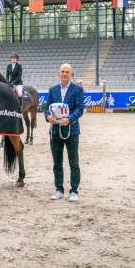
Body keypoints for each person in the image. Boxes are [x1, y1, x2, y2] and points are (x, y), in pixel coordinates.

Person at [44, 64, 84, 202]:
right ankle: (59, 189)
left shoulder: (77, 90)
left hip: (71, 131)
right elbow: (47, 108)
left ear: (71, 74)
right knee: (57, 162)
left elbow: (79, 109)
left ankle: (74, 191)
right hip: (55, 131)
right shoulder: (53, 90)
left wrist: (69, 119)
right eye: (62, 71)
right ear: (59, 73)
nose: (65, 74)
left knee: (74, 162)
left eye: (67, 72)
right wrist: (48, 117)